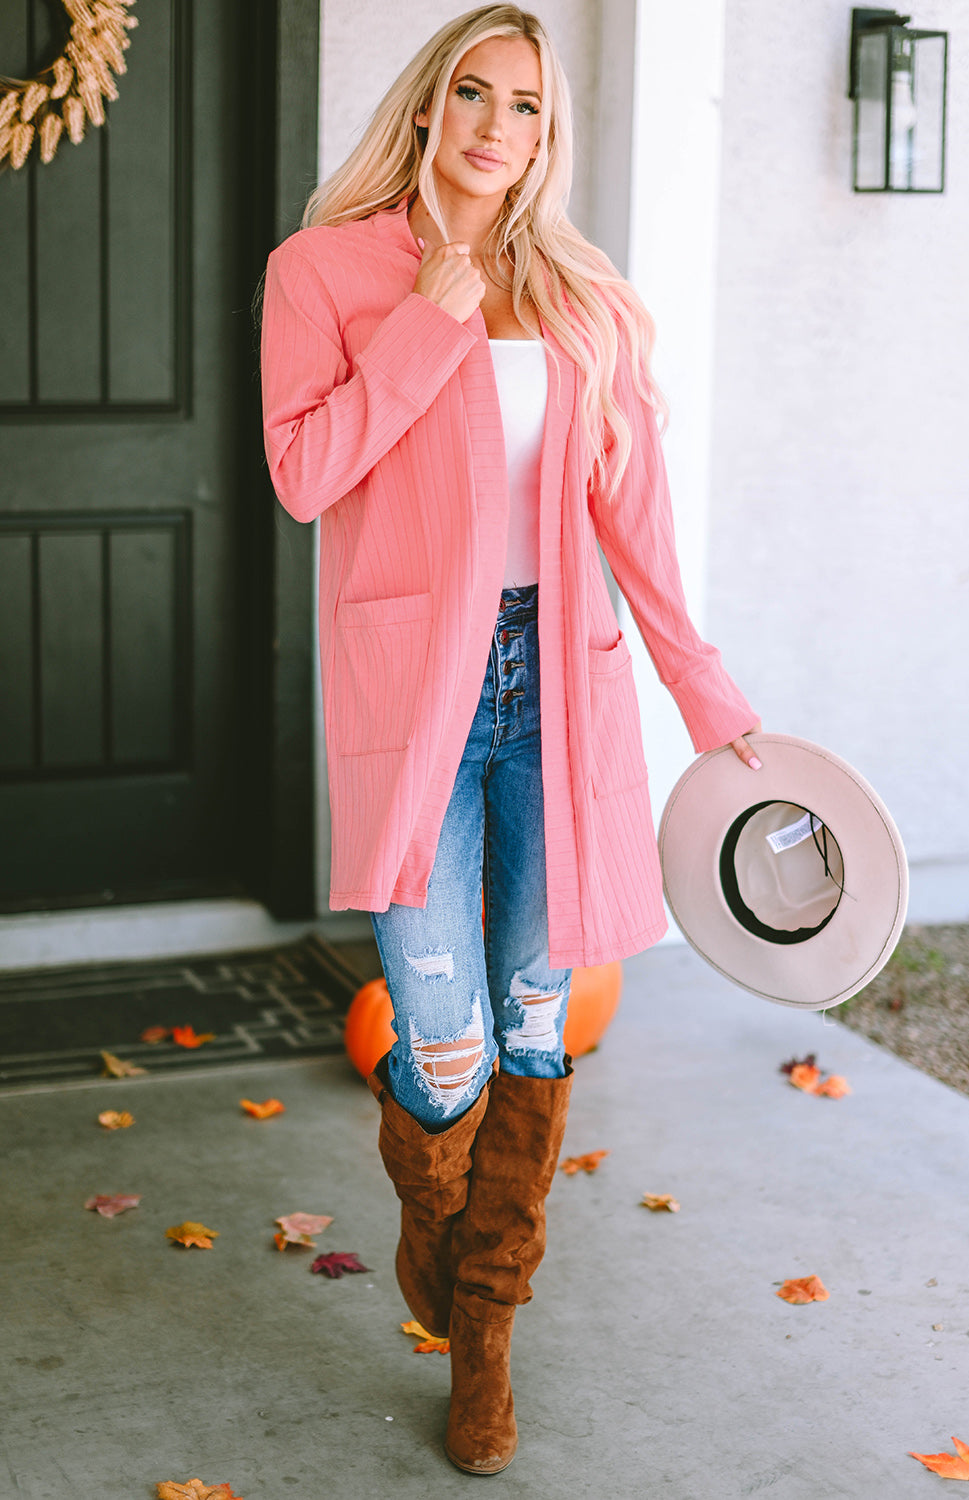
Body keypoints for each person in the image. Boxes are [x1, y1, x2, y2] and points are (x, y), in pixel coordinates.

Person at [260, 4, 759, 1476]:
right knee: (445, 1044)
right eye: (471, 93)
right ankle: (436, 1214)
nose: (496, 124)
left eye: (527, 105)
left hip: (564, 692)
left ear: (548, 132)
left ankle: (484, 1336)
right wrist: (430, 312)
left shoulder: (587, 296)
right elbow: (303, 473)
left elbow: (637, 528)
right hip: (416, 703)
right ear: (426, 108)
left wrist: (712, 702)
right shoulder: (326, 270)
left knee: (537, 1027)